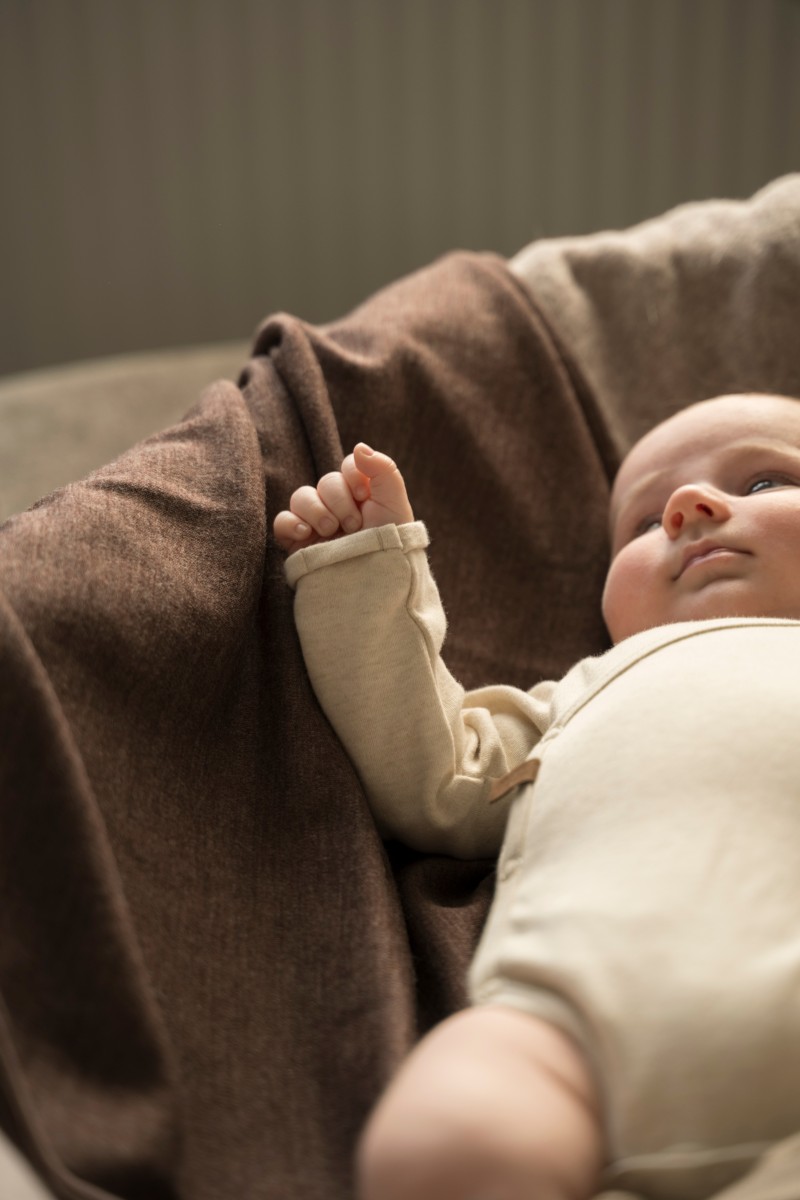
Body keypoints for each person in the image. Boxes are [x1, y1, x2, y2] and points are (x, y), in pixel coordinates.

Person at [273, 393, 800, 1200]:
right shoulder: (583, 695)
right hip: (571, 1030)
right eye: (642, 525)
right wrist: (364, 568)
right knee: (443, 1142)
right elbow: (435, 772)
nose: (688, 508)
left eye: (765, 483)